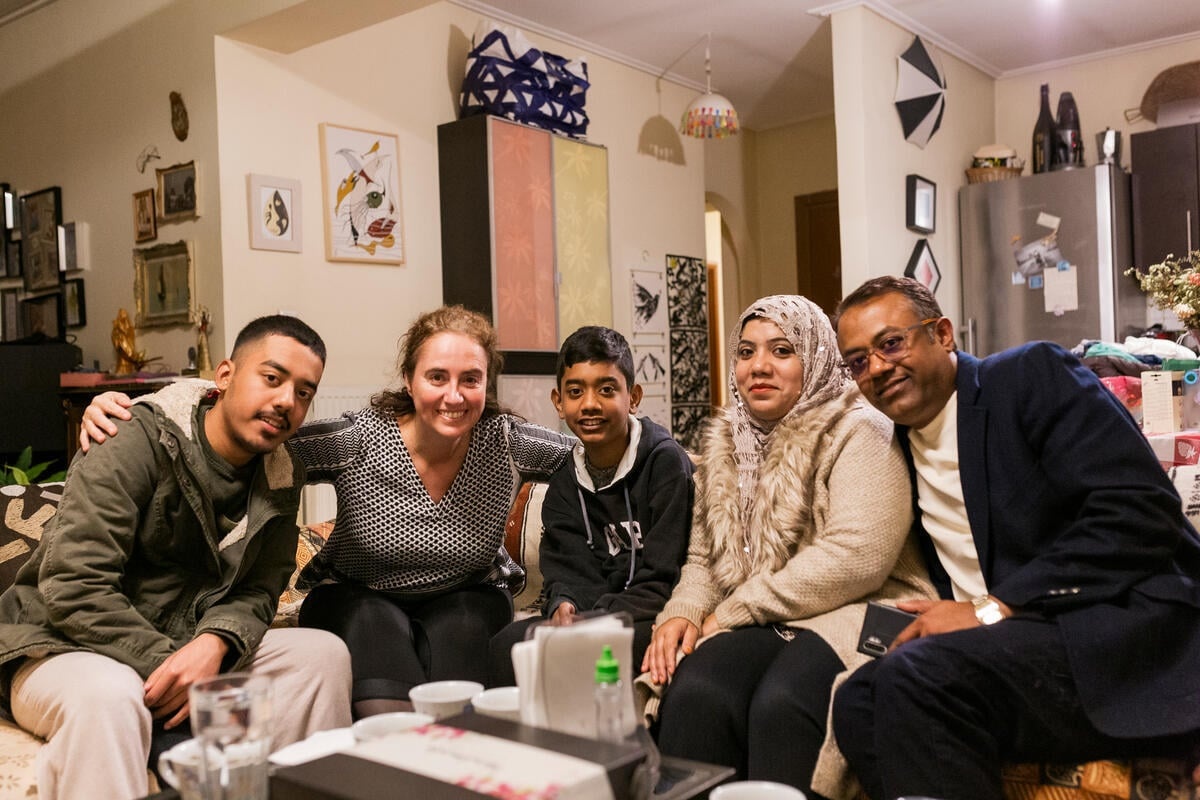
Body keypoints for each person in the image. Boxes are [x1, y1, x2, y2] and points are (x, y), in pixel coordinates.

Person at [81, 305, 574, 720]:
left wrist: (580, 583)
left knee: (458, 693)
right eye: (437, 377)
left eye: (471, 380)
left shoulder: (507, 443)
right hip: (356, 596)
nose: (454, 395)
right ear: (409, 380)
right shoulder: (359, 439)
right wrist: (139, 410)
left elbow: (596, 456)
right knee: (389, 697)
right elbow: (254, 428)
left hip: (468, 596)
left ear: (487, 384)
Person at [830, 276, 1200, 800]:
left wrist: (991, 608)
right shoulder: (889, 451)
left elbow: (1140, 512)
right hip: (1008, 656)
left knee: (919, 676)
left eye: (891, 343)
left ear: (942, 334)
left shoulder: (1027, 376)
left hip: (1114, 631)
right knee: (857, 702)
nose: (877, 368)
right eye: (858, 362)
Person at [0, 315, 353, 800]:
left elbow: (260, 588)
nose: (286, 401)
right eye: (272, 378)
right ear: (225, 375)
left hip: (186, 641)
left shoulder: (282, 470)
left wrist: (217, 643)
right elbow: (73, 585)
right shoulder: (131, 436)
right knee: (111, 694)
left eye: (304, 392)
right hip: (61, 646)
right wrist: (176, 669)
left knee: (321, 656)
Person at [642, 295, 934, 800]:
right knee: (697, 692)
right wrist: (682, 612)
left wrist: (733, 611)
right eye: (746, 352)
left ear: (816, 356)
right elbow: (704, 559)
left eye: (781, 350)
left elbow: (856, 558)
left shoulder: (859, 428)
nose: (759, 366)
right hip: (773, 615)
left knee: (785, 703)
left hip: (870, 606)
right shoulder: (726, 442)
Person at [487, 326, 694, 687]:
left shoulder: (665, 465)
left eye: (607, 389)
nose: (590, 404)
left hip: (654, 614)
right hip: (594, 617)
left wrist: (595, 618)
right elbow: (567, 570)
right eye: (575, 391)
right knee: (506, 646)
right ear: (559, 401)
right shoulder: (565, 484)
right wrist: (564, 604)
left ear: (633, 397)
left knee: (583, 652)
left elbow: (665, 575)